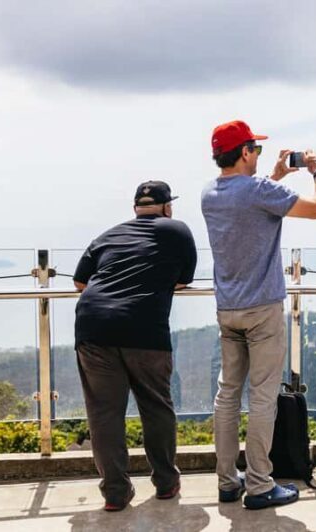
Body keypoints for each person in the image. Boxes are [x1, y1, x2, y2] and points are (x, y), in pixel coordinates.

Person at [202, 120, 316, 510]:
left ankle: (228, 481)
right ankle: (259, 484)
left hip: (228, 310)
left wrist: (276, 174)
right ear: (244, 153)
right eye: (254, 149)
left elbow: (252, 203)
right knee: (262, 398)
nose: (258, 154)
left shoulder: (209, 193)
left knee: (227, 395)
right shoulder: (260, 191)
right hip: (262, 310)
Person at [73, 181, 197, 511]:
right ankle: (166, 483)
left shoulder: (107, 235)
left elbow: (80, 282)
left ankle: (115, 493)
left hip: (93, 326)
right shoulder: (178, 230)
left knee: (104, 413)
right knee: (156, 406)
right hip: (145, 328)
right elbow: (183, 280)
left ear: (134, 209)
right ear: (167, 207)